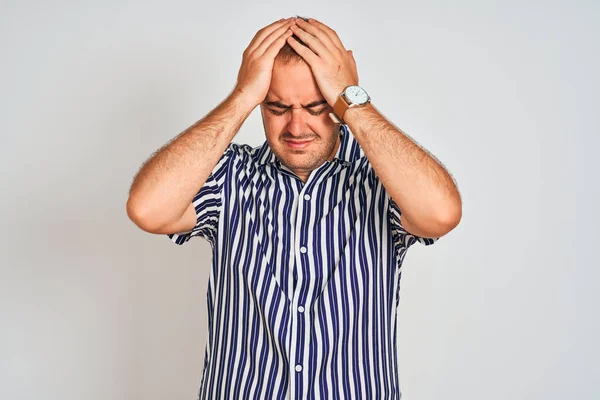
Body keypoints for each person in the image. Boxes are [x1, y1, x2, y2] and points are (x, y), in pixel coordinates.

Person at [127, 15, 462, 400]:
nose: (296, 127)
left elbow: (441, 214)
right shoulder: (230, 175)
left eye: (317, 106)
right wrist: (241, 96)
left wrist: (352, 96)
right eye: (277, 107)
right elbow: (147, 208)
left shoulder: (381, 179)